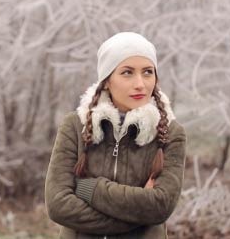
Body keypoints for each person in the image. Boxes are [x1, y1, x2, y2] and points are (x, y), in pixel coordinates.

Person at [45, 32, 187, 238]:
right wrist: (136, 217)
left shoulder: (171, 134)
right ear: (107, 80)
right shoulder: (75, 126)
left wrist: (90, 189)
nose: (140, 83)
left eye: (148, 72)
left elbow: (160, 206)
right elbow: (58, 205)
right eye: (127, 72)